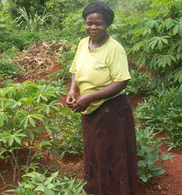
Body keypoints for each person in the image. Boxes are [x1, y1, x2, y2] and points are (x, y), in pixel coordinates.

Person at [66, 1, 137, 195]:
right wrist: (73, 90)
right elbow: (75, 71)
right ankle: (96, 189)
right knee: (95, 153)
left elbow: (121, 82)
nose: (93, 27)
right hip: (90, 111)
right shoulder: (83, 43)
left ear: (107, 24)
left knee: (111, 156)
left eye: (98, 24)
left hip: (111, 110)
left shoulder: (114, 49)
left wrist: (90, 97)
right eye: (89, 23)